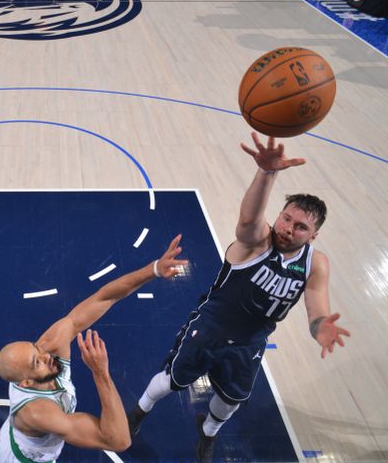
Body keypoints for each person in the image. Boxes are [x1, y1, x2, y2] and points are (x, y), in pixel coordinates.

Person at [127, 134, 351, 463]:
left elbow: (317, 310)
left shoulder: (316, 263)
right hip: (211, 328)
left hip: (250, 342)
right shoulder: (258, 242)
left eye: (300, 226)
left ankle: (207, 434)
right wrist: (267, 173)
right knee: (172, 381)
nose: (289, 228)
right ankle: (139, 411)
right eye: (286, 218)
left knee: (230, 400)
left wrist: (321, 329)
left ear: (313, 235)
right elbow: (248, 219)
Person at [0, 237, 188, 463]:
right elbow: (118, 441)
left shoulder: (48, 347)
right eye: (36, 362)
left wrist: (153, 269)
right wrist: (100, 373)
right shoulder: (37, 412)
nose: (46, 355)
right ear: (25, 383)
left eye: (36, 349)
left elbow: (104, 297)